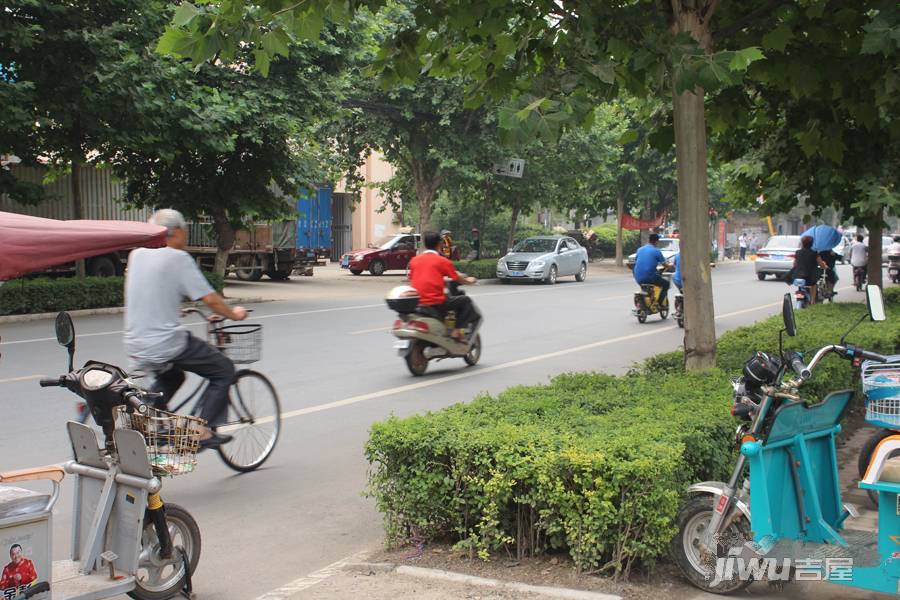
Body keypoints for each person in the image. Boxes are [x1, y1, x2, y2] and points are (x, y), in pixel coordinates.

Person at [124, 209, 247, 449]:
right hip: (165, 343)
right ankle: (202, 431)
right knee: (224, 369)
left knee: (174, 376)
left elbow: (150, 289)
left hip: (135, 342)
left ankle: (148, 417)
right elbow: (210, 299)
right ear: (178, 231)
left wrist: (172, 309)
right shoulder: (178, 259)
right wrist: (233, 314)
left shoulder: (136, 255)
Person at [408, 231, 480, 339]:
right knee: (466, 300)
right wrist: (469, 280)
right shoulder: (442, 261)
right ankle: (456, 331)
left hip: (417, 302)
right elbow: (456, 277)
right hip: (436, 302)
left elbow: (413, 278)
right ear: (439, 244)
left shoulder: (414, 261)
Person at [633, 233, 669, 302]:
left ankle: (649, 298)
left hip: (638, 277)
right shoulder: (656, 251)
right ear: (656, 241)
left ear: (649, 240)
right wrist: (671, 265)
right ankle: (660, 302)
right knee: (666, 284)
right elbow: (665, 265)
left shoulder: (639, 249)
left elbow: (637, 261)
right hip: (650, 277)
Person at [790, 235, 827, 304]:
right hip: (810, 277)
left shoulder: (798, 252)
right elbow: (821, 264)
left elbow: (794, 264)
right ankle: (812, 300)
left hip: (798, 276)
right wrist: (824, 266)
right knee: (813, 285)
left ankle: (800, 297)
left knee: (800, 287)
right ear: (811, 244)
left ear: (802, 243)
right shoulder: (814, 253)